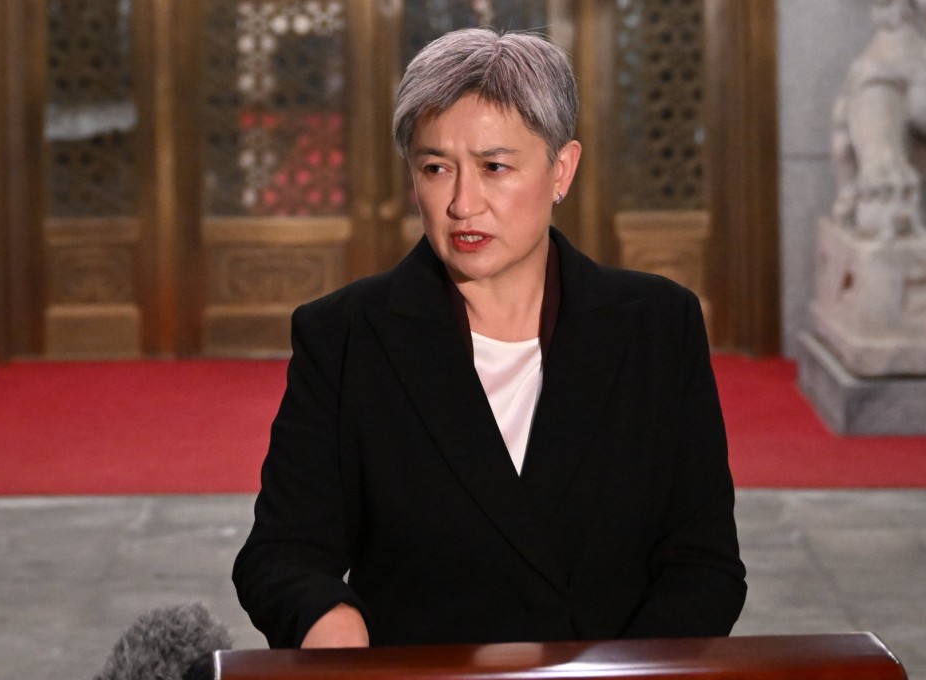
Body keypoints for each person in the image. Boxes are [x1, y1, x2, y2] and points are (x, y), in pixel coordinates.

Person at [233, 27, 746, 649]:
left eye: (494, 167)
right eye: (435, 168)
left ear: (562, 169)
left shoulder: (657, 327)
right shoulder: (345, 336)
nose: (462, 204)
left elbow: (704, 565)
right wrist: (332, 625)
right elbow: (282, 555)